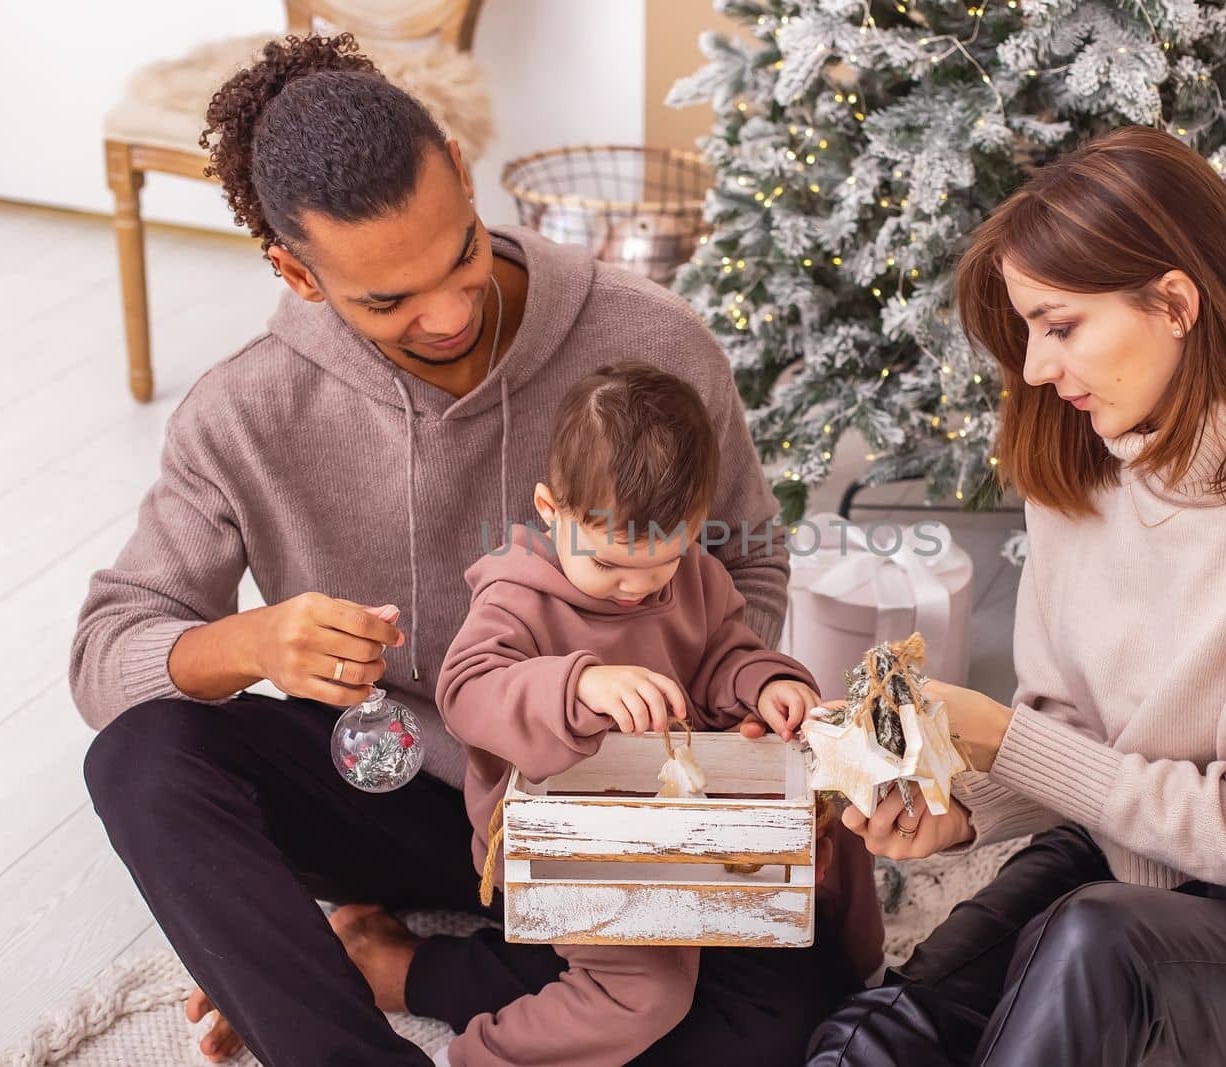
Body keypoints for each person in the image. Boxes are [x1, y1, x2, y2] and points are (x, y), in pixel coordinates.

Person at [72, 35, 792, 1065]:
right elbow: (109, 650)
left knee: (789, 1001)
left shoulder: (651, 341)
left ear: (461, 169)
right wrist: (253, 642)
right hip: (392, 790)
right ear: (296, 272)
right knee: (142, 759)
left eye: (457, 253)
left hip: (606, 786)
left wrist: (702, 707)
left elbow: (749, 556)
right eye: (388, 299)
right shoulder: (245, 409)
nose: (449, 312)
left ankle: (389, 965)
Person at [805, 125, 1226, 1066]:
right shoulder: (1078, 477)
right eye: (1029, 331)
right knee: (879, 1035)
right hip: (1129, 861)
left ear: (1174, 302)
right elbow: (1073, 738)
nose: (1037, 368)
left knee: (1097, 945)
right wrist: (962, 808)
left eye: (1061, 325)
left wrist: (999, 731)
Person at [434, 362, 883, 1065]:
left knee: (822, 845)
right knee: (651, 991)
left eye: (663, 562)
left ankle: (861, 975)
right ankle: (481, 1055)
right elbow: (465, 691)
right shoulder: (518, 594)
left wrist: (766, 684)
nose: (638, 588)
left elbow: (722, 658)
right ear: (553, 513)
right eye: (613, 564)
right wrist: (580, 687)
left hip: (676, 822)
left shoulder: (696, 577)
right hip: (562, 845)